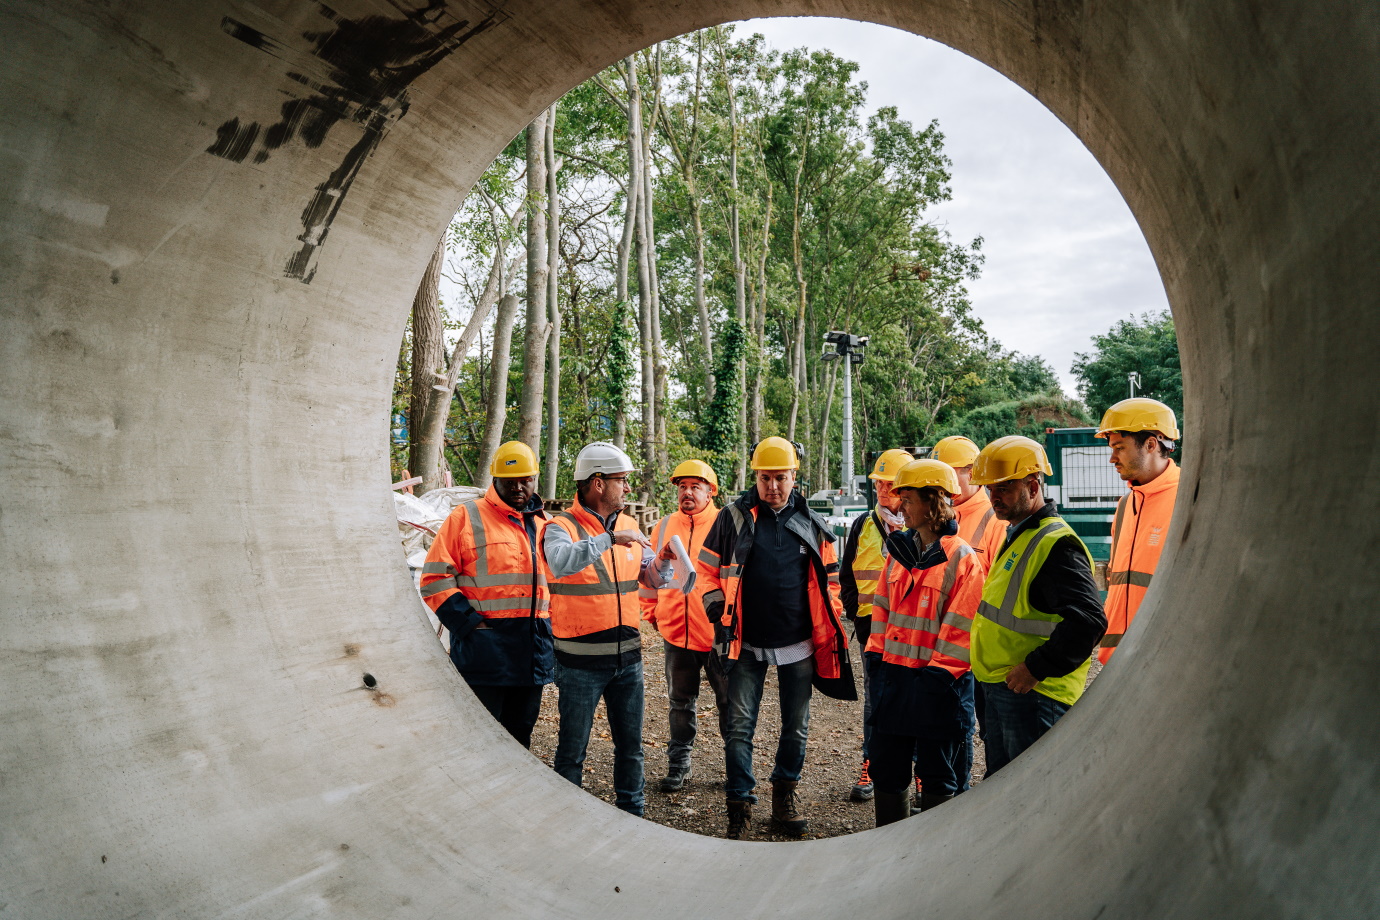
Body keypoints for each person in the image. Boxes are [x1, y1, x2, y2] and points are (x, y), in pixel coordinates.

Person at [699, 436, 853, 840]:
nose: (772, 486)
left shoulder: (811, 521)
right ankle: (739, 804)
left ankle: (784, 796)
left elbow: (832, 579)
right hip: (744, 642)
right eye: (765, 478)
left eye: (780, 478)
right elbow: (705, 571)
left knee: (796, 727)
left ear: (793, 478)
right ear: (755, 476)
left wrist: (831, 613)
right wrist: (717, 607)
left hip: (798, 643)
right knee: (739, 725)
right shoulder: (732, 518)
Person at [969, 436, 1107, 776]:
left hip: (1033, 694)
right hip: (1008, 690)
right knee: (1004, 791)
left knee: (1028, 795)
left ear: (1033, 486)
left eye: (1005, 488)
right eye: (990, 489)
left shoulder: (1055, 544)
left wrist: (1036, 668)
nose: (994, 497)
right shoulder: (1021, 533)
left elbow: (1089, 620)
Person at [542, 441, 664, 816]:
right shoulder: (559, 527)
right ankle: (569, 822)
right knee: (572, 750)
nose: (627, 488)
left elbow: (650, 580)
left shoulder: (630, 526)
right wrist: (609, 539)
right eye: (621, 481)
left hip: (628, 662)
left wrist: (664, 562)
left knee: (631, 748)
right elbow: (560, 563)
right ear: (598, 483)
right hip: (578, 666)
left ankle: (633, 815)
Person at [866, 459, 986, 824]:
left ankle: (934, 857)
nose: (901, 505)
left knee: (938, 775)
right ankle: (888, 845)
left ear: (934, 502)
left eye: (909, 498)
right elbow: (882, 611)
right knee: (887, 769)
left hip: (940, 686)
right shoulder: (899, 552)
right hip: (895, 679)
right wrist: (876, 658)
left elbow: (961, 630)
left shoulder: (962, 559)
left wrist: (937, 678)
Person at [419, 441, 553, 748]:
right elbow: (434, 579)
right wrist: (470, 624)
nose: (519, 487)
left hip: (532, 654)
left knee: (520, 740)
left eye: (526, 480)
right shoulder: (466, 517)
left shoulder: (543, 524)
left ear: (535, 479)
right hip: (485, 654)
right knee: (481, 742)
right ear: (495, 480)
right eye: (511, 481)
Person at [639, 459, 730, 793]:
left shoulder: (726, 524)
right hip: (676, 631)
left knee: (729, 703)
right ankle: (679, 765)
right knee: (680, 702)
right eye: (682, 487)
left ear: (710, 491)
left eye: (695, 486)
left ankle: (735, 768)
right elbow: (650, 574)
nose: (687, 493)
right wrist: (653, 612)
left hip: (718, 634)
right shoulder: (663, 526)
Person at [838, 447, 913, 803]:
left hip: (913, 631)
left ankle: (918, 774)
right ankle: (872, 764)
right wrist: (856, 613)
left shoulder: (920, 527)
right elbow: (846, 574)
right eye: (879, 484)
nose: (883, 491)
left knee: (914, 700)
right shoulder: (863, 524)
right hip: (871, 630)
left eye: (890, 485)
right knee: (877, 700)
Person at [1096, 398, 1181, 662]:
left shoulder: (1188, 500)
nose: (1112, 458)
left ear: (1151, 445)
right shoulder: (1125, 506)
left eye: (1119, 448)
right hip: (1118, 660)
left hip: (1164, 658)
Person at [931, 436, 1005, 565]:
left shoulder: (997, 522)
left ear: (972, 474)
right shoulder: (936, 515)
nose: (941, 484)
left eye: (947, 476)